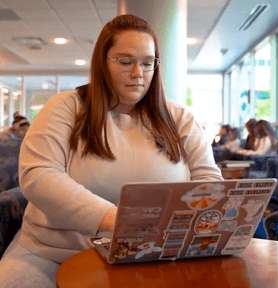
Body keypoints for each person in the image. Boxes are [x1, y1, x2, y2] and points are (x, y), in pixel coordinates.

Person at [0, 14, 222, 287]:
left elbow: (209, 184)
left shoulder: (179, 118)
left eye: (147, 63)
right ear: (102, 63)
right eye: (125, 62)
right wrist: (118, 220)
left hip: (153, 254)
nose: (138, 73)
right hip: (53, 253)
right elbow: (39, 176)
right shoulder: (65, 107)